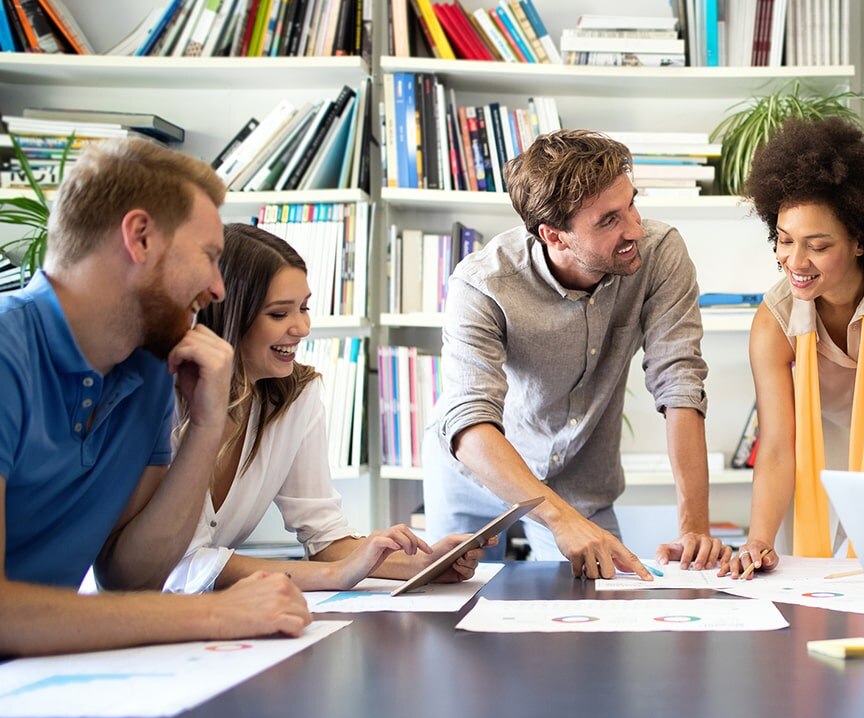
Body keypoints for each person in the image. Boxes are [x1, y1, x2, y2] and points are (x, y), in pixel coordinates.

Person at [0, 138, 310, 657]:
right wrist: (215, 612)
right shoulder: (9, 353)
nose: (218, 288)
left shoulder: (147, 366)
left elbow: (130, 577)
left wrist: (207, 426)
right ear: (139, 237)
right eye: (210, 257)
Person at [424, 129, 727, 579]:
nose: (635, 229)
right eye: (609, 220)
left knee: (606, 606)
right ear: (554, 235)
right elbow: (469, 420)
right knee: (457, 610)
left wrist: (694, 530)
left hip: (581, 479)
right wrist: (560, 519)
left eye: (632, 205)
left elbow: (680, 382)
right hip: (478, 474)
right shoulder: (483, 283)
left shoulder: (660, 254)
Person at [162, 224, 490, 593]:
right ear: (230, 315)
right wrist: (335, 576)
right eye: (278, 314)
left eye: (304, 308)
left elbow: (326, 539)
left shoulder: (296, 397)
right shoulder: (167, 400)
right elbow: (181, 565)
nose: (302, 327)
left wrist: (422, 564)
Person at [721, 118, 864, 577]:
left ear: (861, 241)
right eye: (783, 241)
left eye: (817, 246)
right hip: (812, 466)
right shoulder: (773, 323)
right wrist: (758, 539)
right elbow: (779, 445)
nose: (795, 263)